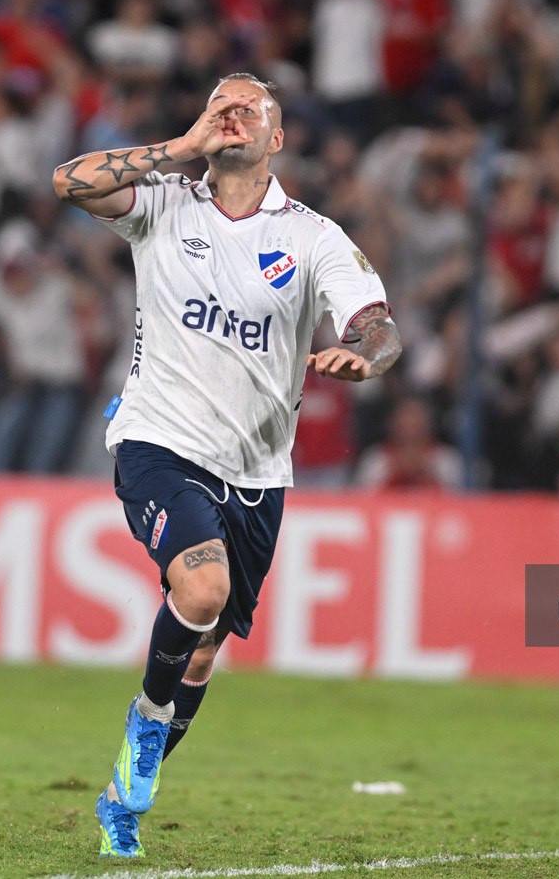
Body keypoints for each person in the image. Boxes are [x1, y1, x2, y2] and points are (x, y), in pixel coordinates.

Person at [53, 73, 400, 856]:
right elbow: (67, 182)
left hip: (256, 470)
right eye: (223, 102)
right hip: (157, 438)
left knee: (204, 648)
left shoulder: (312, 237)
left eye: (254, 108)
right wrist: (179, 148)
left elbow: (379, 326)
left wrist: (364, 357)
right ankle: (145, 730)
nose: (236, 112)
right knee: (201, 586)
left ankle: (122, 792)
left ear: (277, 140)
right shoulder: (164, 203)